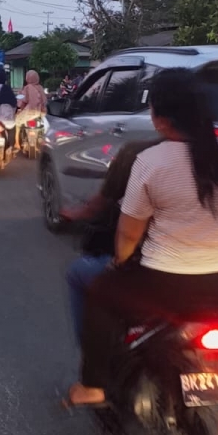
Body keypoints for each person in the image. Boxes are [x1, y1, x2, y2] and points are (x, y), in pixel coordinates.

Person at [67, 67, 218, 407]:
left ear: (160, 119)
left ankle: (93, 386)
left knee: (99, 292)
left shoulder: (150, 161)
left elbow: (129, 233)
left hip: (167, 285)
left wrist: (120, 262)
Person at [61, 138, 162, 342]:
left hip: (160, 275)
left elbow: (128, 234)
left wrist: (118, 264)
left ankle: (92, 352)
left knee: (78, 272)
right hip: (217, 280)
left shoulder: (139, 155)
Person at [15, 69, 49, 150]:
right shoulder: (40, 88)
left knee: (17, 123)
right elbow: (44, 100)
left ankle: (16, 143)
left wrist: (19, 107)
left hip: (28, 112)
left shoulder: (27, 88)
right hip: (39, 113)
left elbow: (23, 100)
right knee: (44, 125)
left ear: (27, 78)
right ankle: (43, 139)